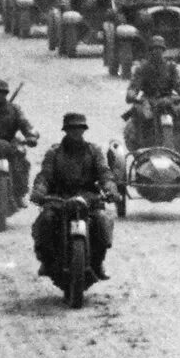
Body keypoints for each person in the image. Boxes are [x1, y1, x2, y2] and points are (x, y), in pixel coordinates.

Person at [32, 112, 119, 281]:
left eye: (79, 128)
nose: (75, 132)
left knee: (102, 221)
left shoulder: (94, 151)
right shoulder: (54, 152)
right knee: (46, 220)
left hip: (88, 197)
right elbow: (45, 176)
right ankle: (47, 261)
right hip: (59, 197)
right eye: (72, 129)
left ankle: (98, 262)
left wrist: (110, 190)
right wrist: (39, 191)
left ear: (84, 130)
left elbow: (104, 174)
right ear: (65, 130)